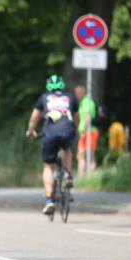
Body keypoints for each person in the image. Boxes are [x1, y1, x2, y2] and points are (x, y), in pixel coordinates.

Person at [26, 74, 79, 216]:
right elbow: (76, 117)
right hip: (67, 129)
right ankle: (67, 174)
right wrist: (75, 129)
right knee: (67, 149)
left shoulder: (44, 98)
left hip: (49, 132)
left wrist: (31, 132)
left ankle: (49, 200)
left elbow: (34, 118)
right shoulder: (70, 97)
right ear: (62, 85)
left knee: (48, 165)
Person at [74, 83, 98, 177]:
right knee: (80, 156)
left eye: (79, 92)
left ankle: (90, 178)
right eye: (76, 92)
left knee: (90, 156)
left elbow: (88, 118)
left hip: (90, 132)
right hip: (83, 132)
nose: (77, 94)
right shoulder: (81, 103)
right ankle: (81, 179)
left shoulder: (87, 102)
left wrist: (84, 131)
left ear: (84, 91)